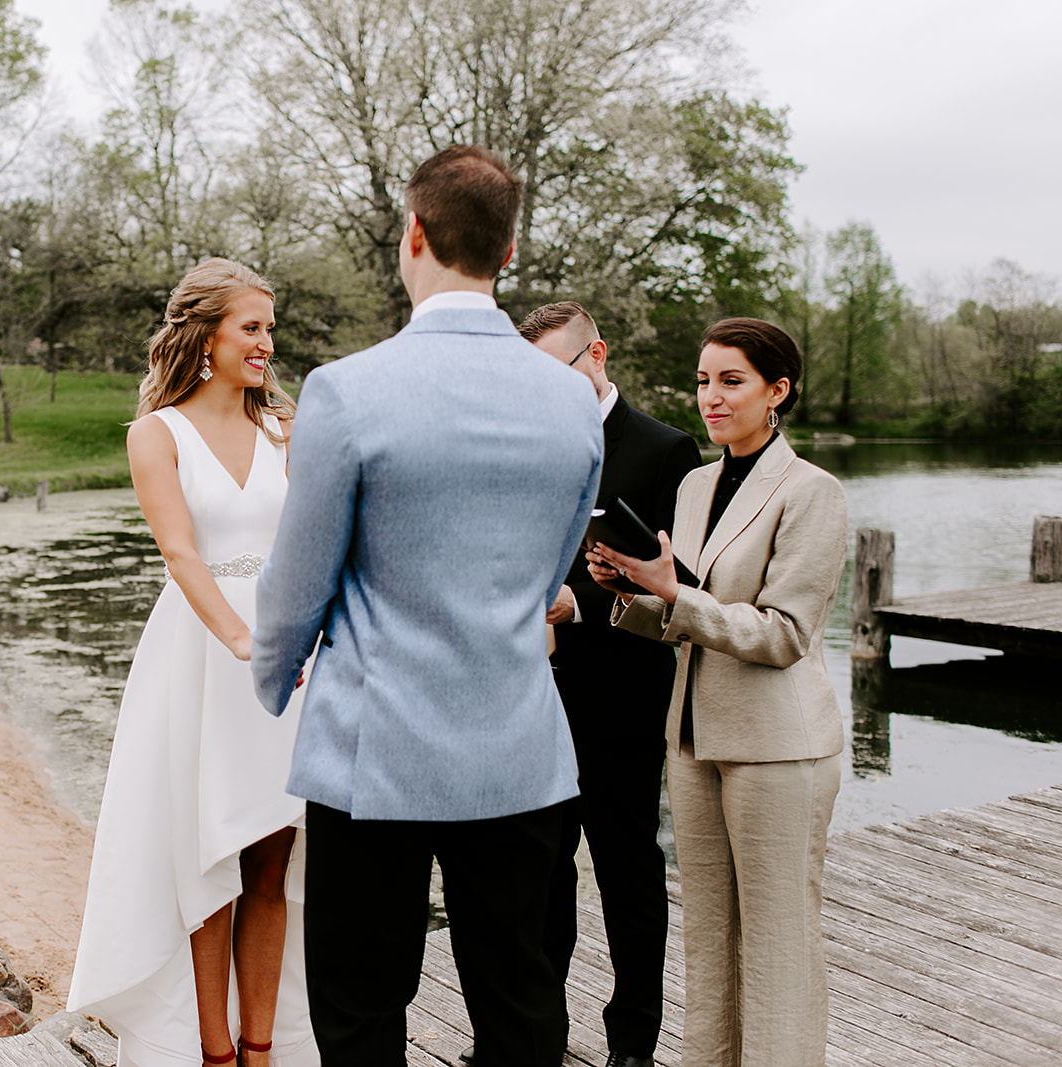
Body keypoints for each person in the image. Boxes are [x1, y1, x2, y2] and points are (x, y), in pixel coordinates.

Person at [250, 146, 604, 1067]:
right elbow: (551, 565)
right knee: (523, 1004)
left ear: (414, 232)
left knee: (362, 1007)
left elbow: (298, 581)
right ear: (510, 250)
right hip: (520, 752)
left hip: (378, 754)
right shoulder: (573, 402)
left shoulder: (347, 391)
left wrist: (271, 681)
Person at [69, 259, 318, 1067]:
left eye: (270, 328)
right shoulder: (156, 434)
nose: (266, 344)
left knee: (272, 863)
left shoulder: (287, 429)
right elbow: (180, 554)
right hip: (203, 658)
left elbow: (312, 549)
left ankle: (262, 1047)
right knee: (209, 861)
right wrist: (243, 640)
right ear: (205, 334)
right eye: (252, 327)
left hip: (287, 663)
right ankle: (210, 1050)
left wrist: (297, 637)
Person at [587, 318, 848, 1067]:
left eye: (731, 380)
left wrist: (677, 596)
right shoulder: (696, 483)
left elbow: (783, 634)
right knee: (708, 934)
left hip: (779, 744)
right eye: (703, 381)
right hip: (695, 737)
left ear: (778, 391)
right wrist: (631, 589)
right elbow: (688, 609)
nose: (711, 396)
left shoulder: (811, 492)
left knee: (777, 938)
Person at [519, 302, 699, 1067]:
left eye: (555, 371)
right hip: (530, 696)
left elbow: (685, 579)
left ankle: (633, 1045)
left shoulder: (665, 450)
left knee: (628, 872)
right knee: (538, 876)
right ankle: (538, 1036)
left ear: (597, 353)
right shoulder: (521, 443)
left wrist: (581, 601)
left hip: (622, 694)